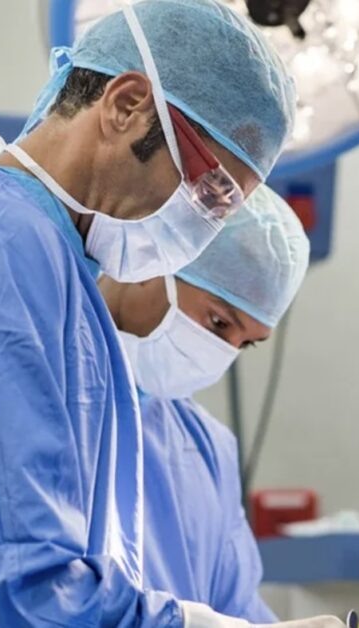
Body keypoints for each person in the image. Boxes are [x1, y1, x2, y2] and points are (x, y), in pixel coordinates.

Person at [0, 1, 314, 625]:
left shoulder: (52, 265)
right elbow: (3, 582)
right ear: (127, 106)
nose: (203, 227)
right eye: (210, 192)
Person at [99, 186, 309, 623]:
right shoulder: (42, 397)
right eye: (218, 322)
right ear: (150, 262)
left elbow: (238, 608)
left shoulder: (207, 449)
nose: (223, 351)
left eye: (247, 344)